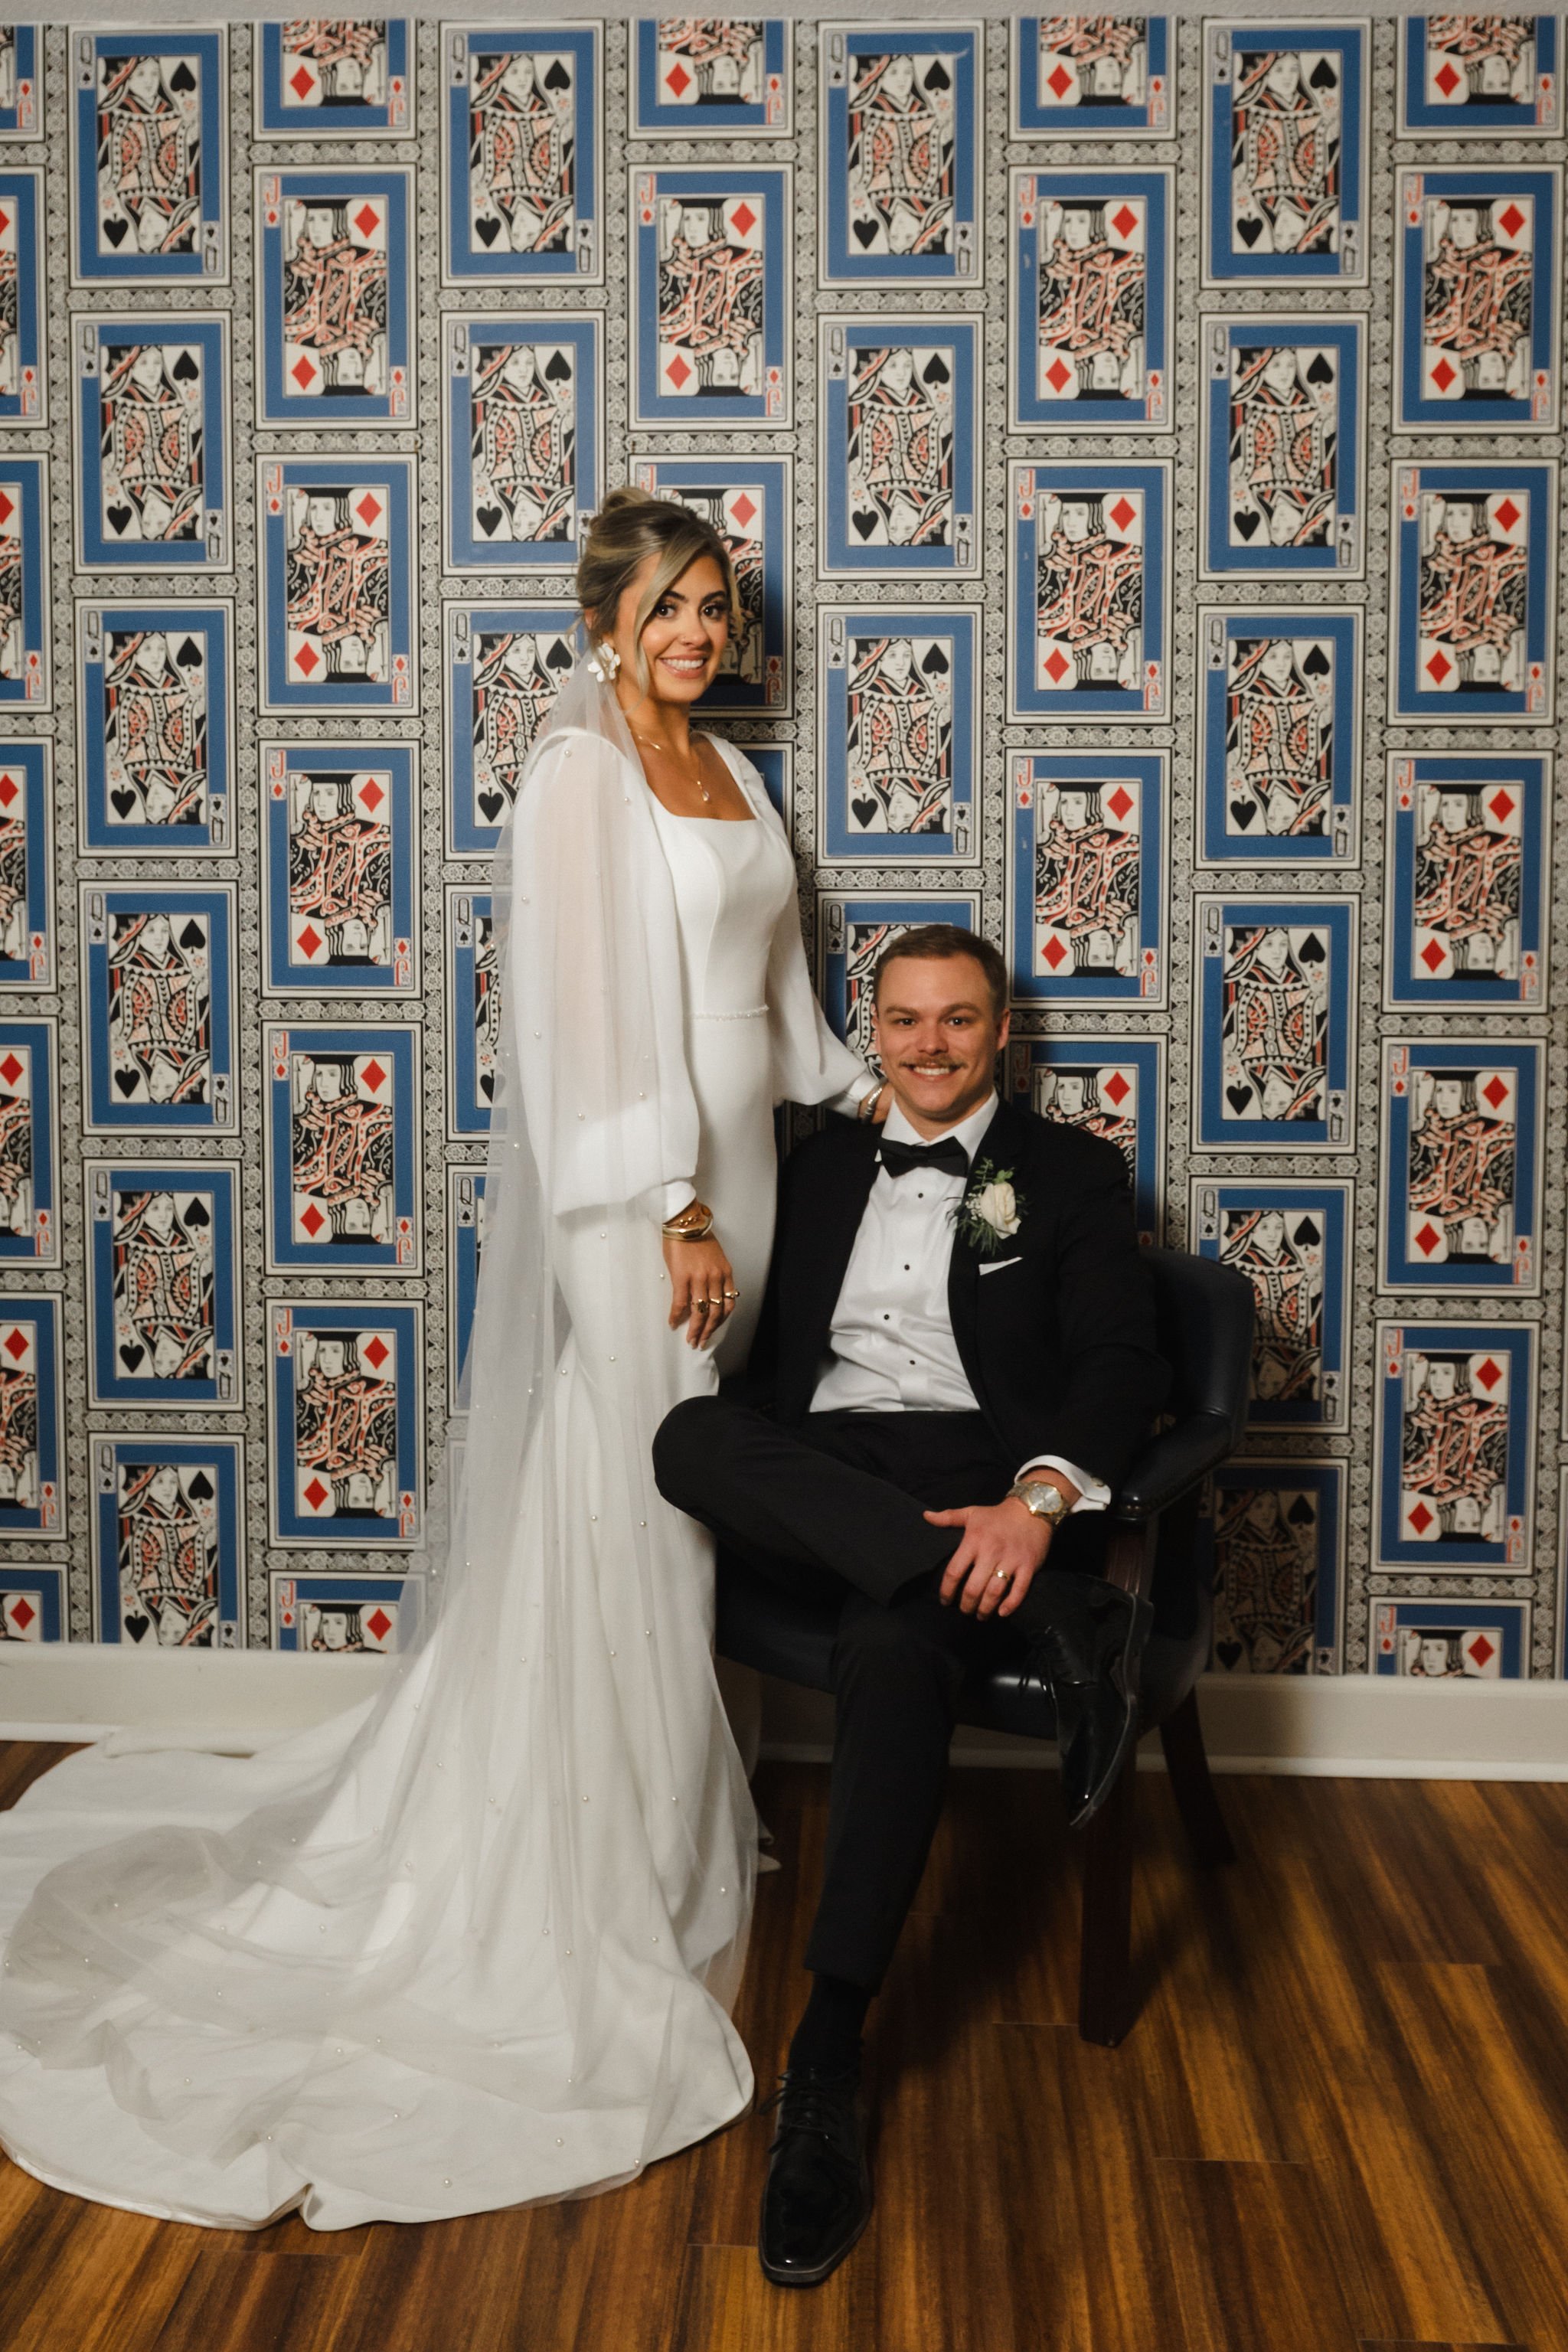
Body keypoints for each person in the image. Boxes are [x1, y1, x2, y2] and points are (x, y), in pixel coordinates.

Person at [0, 488, 883, 2228]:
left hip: (751, 1191)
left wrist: (896, 1102)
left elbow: (773, 1003)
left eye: (715, 603)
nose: (700, 630)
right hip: (647, 1209)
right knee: (644, 1494)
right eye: (670, 605)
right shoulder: (577, 780)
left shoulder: (737, 777)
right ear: (604, 621)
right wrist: (663, 1203)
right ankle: (596, 1859)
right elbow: (573, 1022)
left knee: (688, 1507)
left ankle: (653, 1806)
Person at [654, 923, 1169, 2287]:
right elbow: (762, 1367)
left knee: (896, 1654)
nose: (929, 1046)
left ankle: (825, 2066)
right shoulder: (818, 1167)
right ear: (870, 1033)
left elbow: (1123, 1364)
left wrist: (1039, 1504)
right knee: (686, 1441)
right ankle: (1059, 1624)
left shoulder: (1071, 1174)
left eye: (958, 1021)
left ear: (1001, 1034)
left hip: (979, 1483)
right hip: (838, 1480)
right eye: (903, 1022)